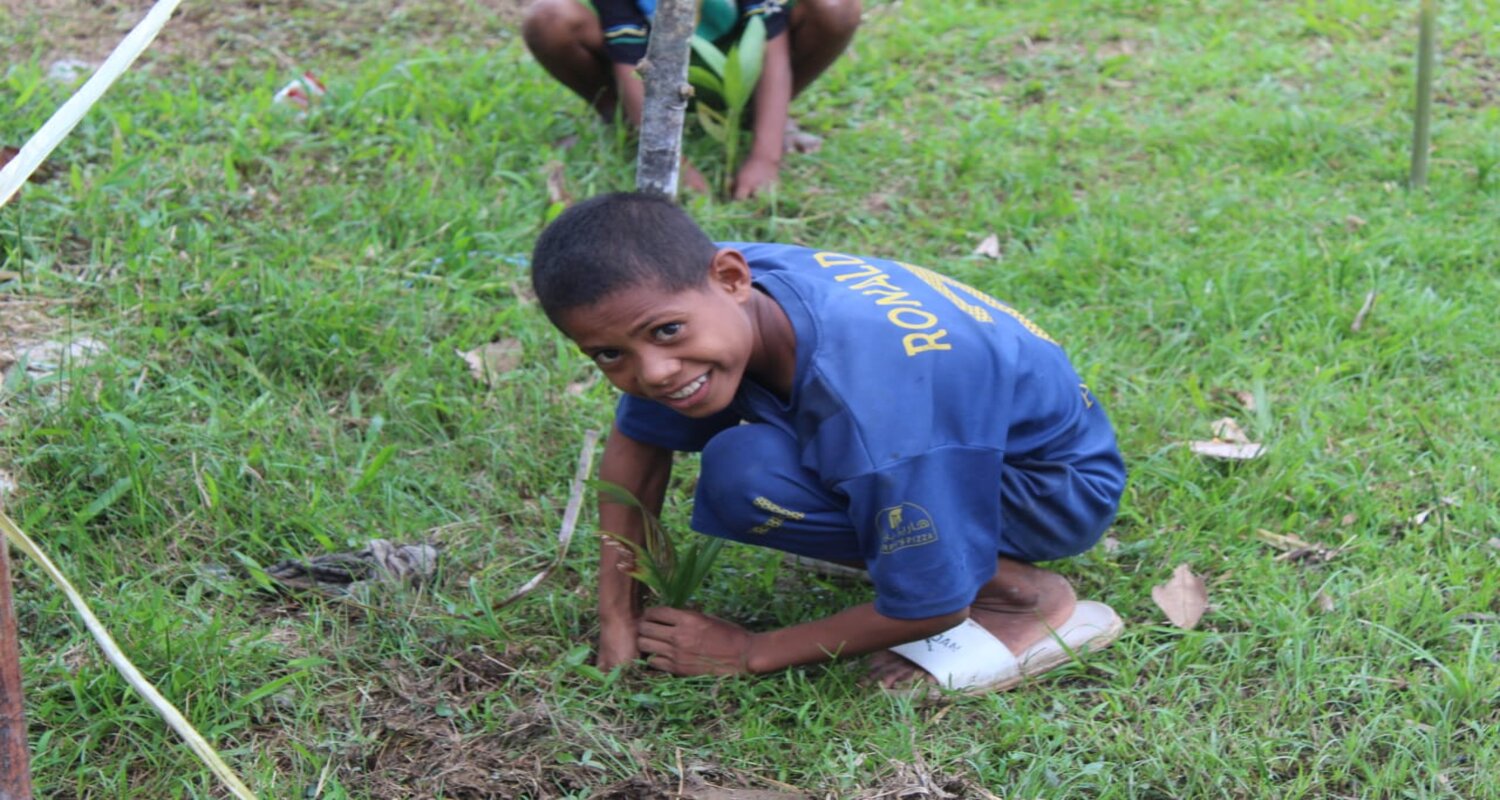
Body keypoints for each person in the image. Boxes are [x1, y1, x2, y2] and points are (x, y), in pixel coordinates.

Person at [529, 192, 1127, 691]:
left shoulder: (880, 407)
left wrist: (749, 652)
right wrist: (617, 612)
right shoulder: (708, 286)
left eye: (666, 333)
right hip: (952, 436)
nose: (654, 371)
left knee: (752, 482)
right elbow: (637, 443)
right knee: (746, 457)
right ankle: (912, 541)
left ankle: (1019, 598)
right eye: (611, 354)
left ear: (732, 278)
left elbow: (933, 605)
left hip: (1050, 490)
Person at [521, 0, 862, 199]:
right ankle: (620, 118)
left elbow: (771, 43)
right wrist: (674, 166)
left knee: (836, 8)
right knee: (548, 18)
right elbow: (630, 63)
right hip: (653, 61)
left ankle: (765, 116)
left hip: (738, 62)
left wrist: (765, 158)